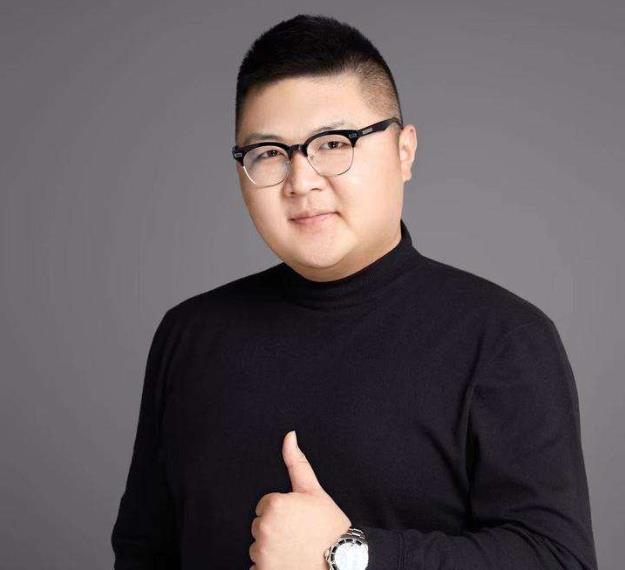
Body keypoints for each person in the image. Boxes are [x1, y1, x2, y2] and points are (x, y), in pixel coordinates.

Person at [111, 14, 598, 570]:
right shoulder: (190, 334)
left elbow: (560, 560)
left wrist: (347, 554)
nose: (301, 181)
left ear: (404, 151)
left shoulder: (503, 338)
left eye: (333, 143)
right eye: (269, 152)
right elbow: (142, 552)